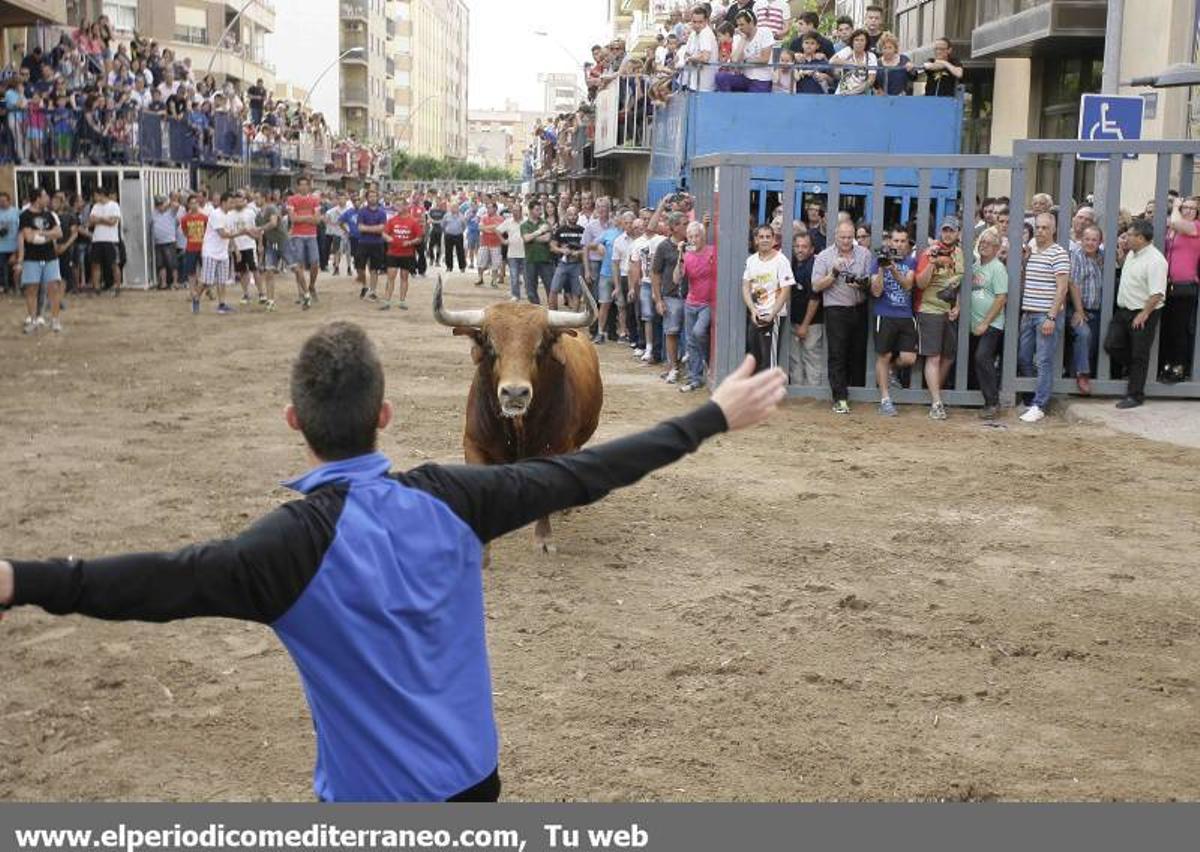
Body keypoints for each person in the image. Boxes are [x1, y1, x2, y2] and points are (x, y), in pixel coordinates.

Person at [0, 322, 788, 803]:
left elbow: (154, 581)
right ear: (385, 414)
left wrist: (19, 579)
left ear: (293, 422)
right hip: (475, 786)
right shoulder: (456, 496)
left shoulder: (282, 549)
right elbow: (586, 470)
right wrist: (710, 416)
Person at [1106, 218, 1167, 409]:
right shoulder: (1133, 253)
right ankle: (1133, 372)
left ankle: (1135, 396)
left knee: (1139, 355)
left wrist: (1144, 313)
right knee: (1112, 345)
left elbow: (1157, 292)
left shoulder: (1156, 260)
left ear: (1140, 238)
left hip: (1143, 312)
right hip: (1124, 310)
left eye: (1129, 235)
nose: (1126, 238)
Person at [1016, 213, 1070, 423]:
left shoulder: (1059, 253)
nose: (1040, 231)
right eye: (1037, 227)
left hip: (1045, 315)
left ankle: (1040, 404)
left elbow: (1062, 287)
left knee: (1044, 360)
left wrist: (1051, 317)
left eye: (1045, 228)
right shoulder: (1032, 251)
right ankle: (1031, 399)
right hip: (1028, 313)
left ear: (1053, 229)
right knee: (1023, 357)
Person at [813, 220, 871, 413]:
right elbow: (816, 286)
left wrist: (863, 284)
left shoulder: (864, 254)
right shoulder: (824, 256)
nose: (846, 241)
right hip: (836, 309)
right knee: (837, 353)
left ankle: (858, 393)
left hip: (860, 307)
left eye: (849, 237)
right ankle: (840, 397)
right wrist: (834, 273)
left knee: (858, 352)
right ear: (835, 236)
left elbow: (873, 281)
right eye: (842, 237)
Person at [914, 217, 965, 421]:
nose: (948, 234)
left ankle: (935, 394)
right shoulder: (930, 252)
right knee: (933, 357)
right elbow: (920, 283)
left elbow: (957, 284)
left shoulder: (959, 253)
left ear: (958, 233)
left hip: (948, 309)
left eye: (951, 231)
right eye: (945, 230)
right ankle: (936, 402)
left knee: (948, 356)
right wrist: (932, 263)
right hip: (929, 308)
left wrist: (958, 304)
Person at [868, 227, 917, 417]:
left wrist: (894, 270)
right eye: (895, 241)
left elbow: (908, 285)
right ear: (890, 242)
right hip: (884, 313)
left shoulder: (911, 261)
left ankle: (891, 371)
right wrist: (881, 267)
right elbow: (877, 291)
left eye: (902, 241)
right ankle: (885, 400)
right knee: (884, 356)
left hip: (905, 315)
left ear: (907, 243)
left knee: (909, 358)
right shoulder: (877, 262)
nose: (898, 245)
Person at [742, 224, 794, 374]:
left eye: (768, 237)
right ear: (756, 240)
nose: (764, 240)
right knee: (754, 354)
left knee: (768, 359)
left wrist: (772, 314)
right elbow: (745, 286)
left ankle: (769, 395)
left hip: (774, 316)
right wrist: (752, 310)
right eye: (761, 237)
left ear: (773, 240)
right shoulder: (751, 260)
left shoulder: (781, 260)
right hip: (756, 314)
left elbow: (786, 289)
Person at [970, 229, 1009, 419]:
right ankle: (981, 399)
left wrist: (986, 322)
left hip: (991, 324)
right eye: (982, 241)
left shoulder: (997, 268)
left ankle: (993, 402)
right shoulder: (976, 265)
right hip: (974, 324)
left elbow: (1001, 298)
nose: (983, 245)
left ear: (996, 248)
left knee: (982, 358)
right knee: (976, 360)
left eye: (989, 243)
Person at [14, 186, 63, 334]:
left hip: (50, 257)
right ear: (37, 199)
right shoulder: (25, 216)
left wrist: (41, 232)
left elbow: (59, 233)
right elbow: (29, 237)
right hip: (32, 258)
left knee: (53, 288)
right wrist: (49, 234)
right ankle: (33, 320)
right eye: (45, 196)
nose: (48, 198)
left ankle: (55, 321)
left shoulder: (50, 215)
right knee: (31, 290)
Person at [1162, 195, 1200, 382]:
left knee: (1180, 329)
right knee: (1168, 327)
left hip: (1185, 286)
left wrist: (1175, 206)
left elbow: (1175, 222)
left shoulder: (1196, 227)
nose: (1187, 210)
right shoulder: (1175, 229)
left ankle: (1179, 367)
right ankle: (1168, 364)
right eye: (1185, 207)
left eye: (1192, 208)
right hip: (1169, 285)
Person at [652, 212, 689, 383]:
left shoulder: (691, 244)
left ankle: (682, 367)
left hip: (690, 296)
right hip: (671, 296)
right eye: (684, 224)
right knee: (672, 332)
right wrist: (658, 300)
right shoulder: (663, 247)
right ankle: (673, 367)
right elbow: (656, 274)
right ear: (674, 227)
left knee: (689, 334)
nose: (687, 227)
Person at [679, 219, 716, 392]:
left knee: (698, 332)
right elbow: (676, 278)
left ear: (703, 236)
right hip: (691, 302)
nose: (694, 239)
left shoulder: (712, 252)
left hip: (708, 303)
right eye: (691, 236)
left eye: (697, 236)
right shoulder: (686, 255)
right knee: (691, 341)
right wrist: (680, 255)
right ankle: (695, 377)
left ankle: (707, 362)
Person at [1067, 225, 1104, 394]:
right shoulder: (1076, 256)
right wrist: (1079, 310)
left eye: (1094, 240)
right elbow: (1073, 284)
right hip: (1077, 308)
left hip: (1097, 311)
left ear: (1100, 242)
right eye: (1087, 239)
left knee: (1093, 345)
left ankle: (1076, 377)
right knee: (1084, 334)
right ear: (1081, 240)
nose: (1090, 243)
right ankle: (1081, 375)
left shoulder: (1103, 257)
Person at [789, 232, 825, 387]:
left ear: (812, 249)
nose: (800, 250)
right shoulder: (793, 264)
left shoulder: (813, 267)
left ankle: (812, 394)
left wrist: (804, 325)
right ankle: (798, 394)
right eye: (797, 246)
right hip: (795, 321)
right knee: (795, 359)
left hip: (812, 323)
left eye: (804, 246)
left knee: (812, 358)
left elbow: (814, 299)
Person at [197, 192, 237, 315]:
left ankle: (222, 304)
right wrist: (242, 232)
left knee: (222, 280)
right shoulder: (215, 214)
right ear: (224, 202)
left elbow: (230, 234)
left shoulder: (229, 215)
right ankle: (196, 297)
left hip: (222, 252)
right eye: (231, 202)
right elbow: (222, 234)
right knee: (206, 281)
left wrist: (236, 248)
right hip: (210, 252)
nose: (233, 204)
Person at [715, 10, 774, 93]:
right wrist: (743, 39)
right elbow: (735, 60)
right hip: (745, 77)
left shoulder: (765, 32)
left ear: (751, 23)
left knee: (751, 102)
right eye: (738, 25)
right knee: (721, 77)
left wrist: (746, 61)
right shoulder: (740, 37)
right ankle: (727, 102)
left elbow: (764, 59)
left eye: (742, 24)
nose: (739, 28)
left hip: (761, 79)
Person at [379, 202, 422, 312]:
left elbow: (419, 237)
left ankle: (402, 301)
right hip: (393, 253)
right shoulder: (392, 220)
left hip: (407, 254)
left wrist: (410, 242)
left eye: (399, 205)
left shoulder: (413, 221)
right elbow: (384, 233)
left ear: (406, 206)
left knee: (404, 277)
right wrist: (387, 237)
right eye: (396, 205)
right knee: (390, 277)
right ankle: (387, 301)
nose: (397, 208)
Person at [287, 177, 322, 310]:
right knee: (299, 264)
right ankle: (301, 292)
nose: (303, 187)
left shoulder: (315, 200)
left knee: (315, 262)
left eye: (305, 185)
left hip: (311, 234)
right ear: (297, 186)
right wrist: (309, 217)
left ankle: (311, 285)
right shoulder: (292, 199)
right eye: (301, 185)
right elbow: (292, 219)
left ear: (309, 186)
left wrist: (301, 218)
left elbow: (317, 220)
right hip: (297, 235)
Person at [549, 206, 587, 311]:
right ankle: (553, 314)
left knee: (577, 292)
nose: (573, 217)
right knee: (554, 289)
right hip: (563, 264)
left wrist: (578, 252)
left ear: (578, 216)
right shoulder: (560, 230)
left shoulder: (583, 230)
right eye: (570, 214)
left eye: (575, 214)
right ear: (566, 215)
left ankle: (574, 317)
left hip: (577, 264)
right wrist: (562, 250)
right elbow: (552, 246)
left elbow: (587, 249)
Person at [88, 186, 122, 296]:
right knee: (95, 264)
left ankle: (117, 287)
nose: (94, 198)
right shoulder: (95, 206)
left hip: (110, 239)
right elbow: (91, 221)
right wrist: (105, 219)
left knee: (114, 264)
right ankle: (96, 287)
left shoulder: (114, 205)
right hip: (97, 239)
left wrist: (100, 219)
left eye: (95, 195)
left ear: (101, 194)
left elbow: (113, 221)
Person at [356, 190, 389, 301]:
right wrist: (375, 228)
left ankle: (373, 291)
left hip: (377, 243)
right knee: (359, 267)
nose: (373, 198)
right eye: (370, 196)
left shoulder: (382, 213)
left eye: (375, 196)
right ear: (367, 198)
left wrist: (368, 228)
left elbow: (382, 228)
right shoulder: (362, 211)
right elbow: (360, 228)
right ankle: (365, 285)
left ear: (378, 198)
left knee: (374, 269)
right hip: (363, 243)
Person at [520, 201, 553, 306]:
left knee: (550, 287)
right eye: (537, 209)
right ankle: (536, 309)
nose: (540, 212)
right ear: (530, 210)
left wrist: (532, 237)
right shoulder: (524, 225)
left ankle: (552, 310)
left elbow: (547, 238)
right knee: (530, 289)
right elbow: (526, 238)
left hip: (545, 259)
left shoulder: (545, 223)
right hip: (530, 260)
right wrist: (539, 232)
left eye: (540, 210)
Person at [682, 5, 718, 93]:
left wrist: (691, 59)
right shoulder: (693, 34)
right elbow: (686, 54)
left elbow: (705, 57)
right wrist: (692, 58)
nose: (697, 25)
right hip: (694, 83)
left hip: (705, 86)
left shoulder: (705, 33)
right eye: (694, 22)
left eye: (700, 22)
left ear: (706, 21)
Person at [831, 29, 877, 96]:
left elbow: (871, 80)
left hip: (862, 94)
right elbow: (832, 61)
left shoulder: (871, 56)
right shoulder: (848, 51)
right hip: (842, 93)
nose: (859, 43)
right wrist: (853, 64)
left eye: (862, 40)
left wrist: (854, 92)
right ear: (852, 41)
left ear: (866, 42)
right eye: (856, 40)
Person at [179, 195, 207, 299]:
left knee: (206, 270)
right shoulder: (185, 219)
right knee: (191, 272)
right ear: (189, 205)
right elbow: (185, 232)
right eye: (192, 203)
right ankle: (192, 291)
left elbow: (207, 231)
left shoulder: (204, 218)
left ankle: (208, 290)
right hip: (191, 247)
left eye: (196, 202)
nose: (194, 205)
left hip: (203, 247)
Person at [476, 202, 504, 288]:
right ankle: (480, 278)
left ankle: (494, 280)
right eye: (487, 208)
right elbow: (480, 227)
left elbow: (499, 229)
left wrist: (486, 228)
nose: (488, 210)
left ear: (495, 209)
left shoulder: (500, 218)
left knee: (495, 263)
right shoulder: (484, 217)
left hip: (496, 244)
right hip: (484, 243)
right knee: (480, 261)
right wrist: (492, 228)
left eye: (490, 208)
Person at [0, 191, 20, 294]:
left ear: (9, 201)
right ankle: (4, 287)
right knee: (2, 268)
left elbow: (20, 229)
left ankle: (15, 287)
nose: (2, 203)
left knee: (14, 268)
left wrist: (19, 247)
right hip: (1, 246)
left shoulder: (16, 212)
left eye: (4, 201)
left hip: (14, 246)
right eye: (0, 201)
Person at [441, 203, 467, 274]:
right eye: (453, 207)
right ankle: (449, 267)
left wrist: (460, 231)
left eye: (456, 207)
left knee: (460, 252)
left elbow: (464, 225)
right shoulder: (446, 215)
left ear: (458, 208)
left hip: (458, 235)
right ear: (450, 208)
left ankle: (462, 267)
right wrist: (446, 231)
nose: (454, 209)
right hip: (449, 235)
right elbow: (443, 225)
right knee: (448, 251)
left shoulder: (461, 216)